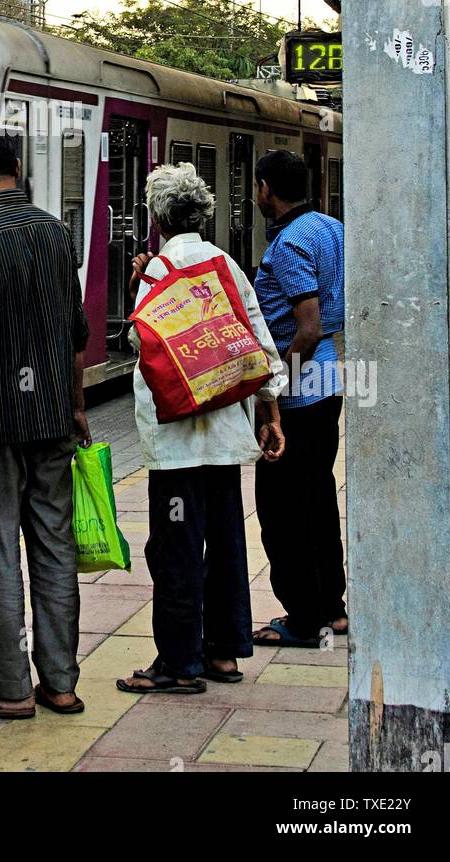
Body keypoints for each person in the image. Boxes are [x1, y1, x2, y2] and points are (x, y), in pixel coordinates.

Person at [116, 162, 286, 696]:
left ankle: (178, 661)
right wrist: (270, 408)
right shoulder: (225, 265)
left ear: (158, 218)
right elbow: (255, 336)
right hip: (224, 437)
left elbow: (142, 345)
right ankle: (225, 652)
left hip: (176, 440)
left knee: (176, 548)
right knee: (227, 540)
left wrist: (133, 293)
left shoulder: (157, 271)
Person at [0, 127, 90, 721]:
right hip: (54, 413)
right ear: (20, 166)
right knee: (55, 548)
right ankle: (60, 683)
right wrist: (77, 406)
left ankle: (8, 687)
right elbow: (78, 333)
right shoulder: (56, 234)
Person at [251, 149, 347, 649]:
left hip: (301, 393)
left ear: (266, 188)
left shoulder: (288, 244)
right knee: (318, 498)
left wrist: (277, 386)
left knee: (281, 507)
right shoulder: (331, 229)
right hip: (329, 382)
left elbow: (305, 329)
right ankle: (332, 606)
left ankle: (303, 618)